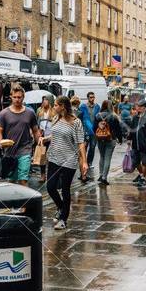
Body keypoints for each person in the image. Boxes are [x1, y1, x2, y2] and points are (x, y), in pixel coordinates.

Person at [43, 96, 87, 230]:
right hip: (54, 157)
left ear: (63, 106)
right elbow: (56, 134)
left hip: (69, 160)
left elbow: (80, 143)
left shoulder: (76, 122)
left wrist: (84, 162)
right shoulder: (56, 118)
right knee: (50, 187)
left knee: (65, 189)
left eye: (56, 105)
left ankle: (63, 219)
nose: (54, 107)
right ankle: (61, 207)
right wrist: (46, 138)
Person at [0, 85, 41, 186]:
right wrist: (0, 141)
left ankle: (24, 201)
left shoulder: (30, 113)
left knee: (23, 179)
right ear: (11, 97)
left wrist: (39, 143)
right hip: (9, 151)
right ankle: (13, 201)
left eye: (19, 97)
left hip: (25, 149)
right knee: (11, 181)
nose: (17, 99)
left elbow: (35, 130)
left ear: (23, 97)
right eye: (15, 97)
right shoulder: (4, 113)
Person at [94, 100, 124, 185]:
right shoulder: (114, 116)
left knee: (102, 157)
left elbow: (94, 128)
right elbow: (118, 129)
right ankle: (104, 177)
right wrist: (120, 139)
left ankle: (100, 175)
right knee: (108, 158)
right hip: (111, 139)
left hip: (100, 139)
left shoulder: (98, 116)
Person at [78, 92, 100, 182]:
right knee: (84, 148)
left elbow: (98, 117)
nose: (92, 99)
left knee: (93, 147)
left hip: (94, 131)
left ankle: (89, 162)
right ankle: (84, 162)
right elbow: (81, 118)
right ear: (87, 98)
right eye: (91, 97)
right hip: (85, 131)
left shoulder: (97, 106)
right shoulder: (83, 106)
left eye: (93, 97)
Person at [35, 96, 55, 183]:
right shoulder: (39, 110)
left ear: (50, 101)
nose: (44, 101)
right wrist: (38, 133)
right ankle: (43, 175)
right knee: (42, 156)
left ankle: (51, 174)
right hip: (42, 136)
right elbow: (37, 123)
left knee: (51, 157)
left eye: (46, 100)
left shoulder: (54, 111)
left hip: (51, 136)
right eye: (43, 100)